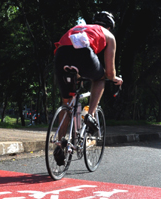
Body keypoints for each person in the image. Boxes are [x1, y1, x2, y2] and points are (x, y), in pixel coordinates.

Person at [53, 11, 123, 166]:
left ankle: (59, 143)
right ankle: (90, 114)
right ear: (110, 27)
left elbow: (68, 45)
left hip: (60, 55)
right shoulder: (108, 35)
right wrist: (115, 78)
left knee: (66, 103)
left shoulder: (80, 27)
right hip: (83, 55)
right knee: (100, 78)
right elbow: (110, 72)